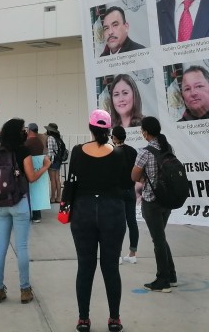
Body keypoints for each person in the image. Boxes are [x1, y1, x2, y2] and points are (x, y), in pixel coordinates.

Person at [69, 109, 126, 332]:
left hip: (83, 211)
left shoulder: (77, 151)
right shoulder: (119, 154)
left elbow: (72, 180)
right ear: (109, 128)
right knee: (110, 266)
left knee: (85, 265)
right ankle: (114, 318)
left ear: (90, 127)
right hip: (112, 211)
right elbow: (124, 184)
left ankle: (83, 318)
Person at [0, 118, 51, 305]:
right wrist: (45, 166)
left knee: (1, 247)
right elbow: (31, 177)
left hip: (0, 204)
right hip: (19, 202)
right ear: (18, 133)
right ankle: (25, 290)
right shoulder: (22, 150)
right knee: (22, 247)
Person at [132, 116, 177, 293]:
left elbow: (134, 177)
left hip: (152, 201)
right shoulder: (168, 147)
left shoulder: (144, 152)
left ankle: (163, 280)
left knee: (158, 240)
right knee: (161, 237)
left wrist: (144, 176)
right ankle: (171, 275)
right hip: (167, 200)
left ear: (145, 132)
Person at [111, 126, 139, 266]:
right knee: (132, 221)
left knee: (118, 223)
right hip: (131, 190)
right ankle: (133, 253)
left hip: (118, 192)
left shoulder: (113, 152)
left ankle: (117, 255)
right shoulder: (133, 151)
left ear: (115, 138)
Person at [24, 123, 48, 222]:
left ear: (29, 131)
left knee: (29, 192)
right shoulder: (39, 141)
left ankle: (29, 213)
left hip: (30, 168)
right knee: (37, 192)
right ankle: (37, 215)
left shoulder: (28, 143)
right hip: (39, 168)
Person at [46, 122, 65, 203]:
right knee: (57, 179)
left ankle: (53, 198)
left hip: (53, 160)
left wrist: (48, 161)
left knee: (52, 179)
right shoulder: (58, 138)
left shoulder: (50, 138)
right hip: (59, 160)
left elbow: (50, 152)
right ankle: (59, 197)